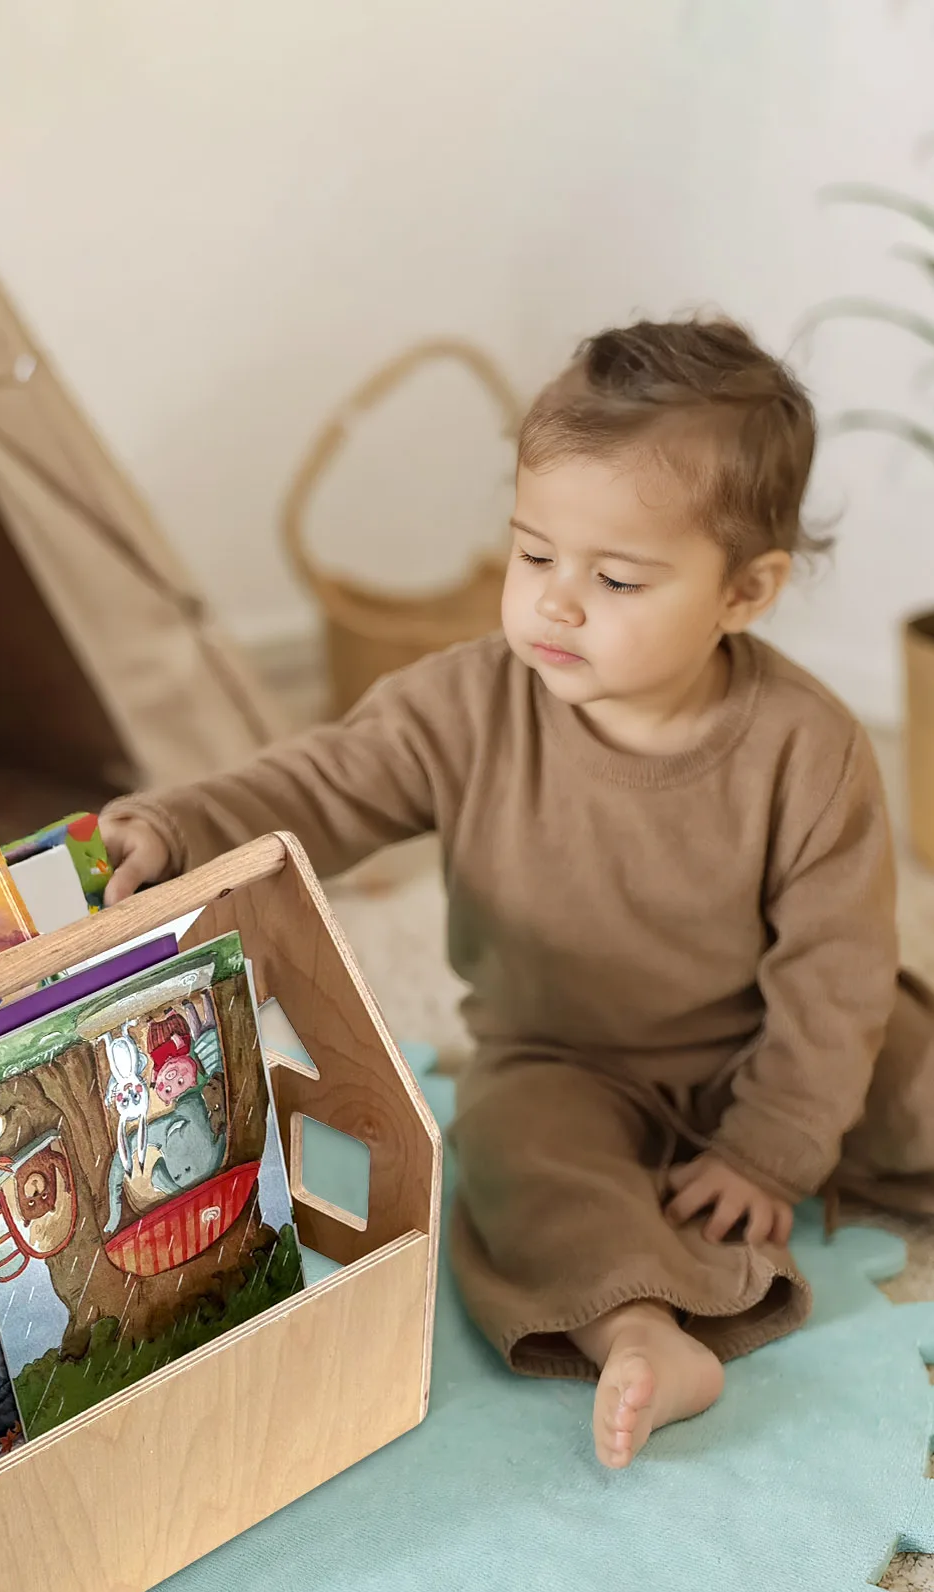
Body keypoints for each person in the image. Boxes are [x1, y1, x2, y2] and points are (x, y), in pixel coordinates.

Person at [98, 316, 934, 1469]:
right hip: (562, 1058)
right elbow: (321, 785)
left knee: (904, 1066)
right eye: (533, 556)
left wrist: (772, 1147)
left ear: (743, 592)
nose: (554, 603)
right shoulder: (466, 705)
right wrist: (184, 826)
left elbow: (833, 974)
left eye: (615, 578)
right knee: (512, 1166)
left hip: (773, 1039)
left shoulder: (808, 747)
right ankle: (638, 1335)